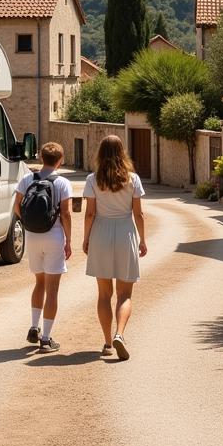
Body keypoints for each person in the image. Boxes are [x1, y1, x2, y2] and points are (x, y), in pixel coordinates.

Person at [82, 134, 147, 360]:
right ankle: (120, 333)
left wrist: (86, 238)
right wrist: (143, 240)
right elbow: (138, 213)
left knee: (103, 295)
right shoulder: (133, 179)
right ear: (122, 152)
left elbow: (90, 213)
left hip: (101, 233)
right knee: (125, 294)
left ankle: (108, 342)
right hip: (125, 233)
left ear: (100, 153)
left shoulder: (92, 180)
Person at [14, 142, 72, 353]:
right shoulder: (63, 183)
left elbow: (17, 207)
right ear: (60, 160)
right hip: (53, 236)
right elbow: (65, 213)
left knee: (39, 283)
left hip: (32, 237)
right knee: (53, 288)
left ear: (40, 158)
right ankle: (46, 339)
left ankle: (33, 326)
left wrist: (30, 224)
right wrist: (69, 239)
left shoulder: (27, 179)